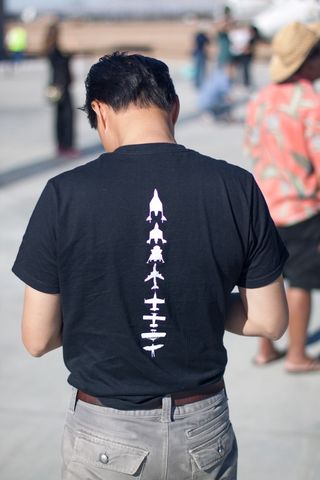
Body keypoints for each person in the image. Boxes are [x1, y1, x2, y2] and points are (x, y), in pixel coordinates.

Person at [12, 52, 288, 479]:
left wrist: (108, 314)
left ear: (100, 112)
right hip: (203, 428)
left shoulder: (64, 194)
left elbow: (38, 336)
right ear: (173, 107)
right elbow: (269, 320)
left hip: (105, 430)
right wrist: (195, 307)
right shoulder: (236, 187)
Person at [245, 22, 320, 373]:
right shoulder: (309, 101)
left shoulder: (260, 99)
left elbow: (252, 147)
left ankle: (265, 349)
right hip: (301, 207)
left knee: (268, 278)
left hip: (264, 204)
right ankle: (296, 355)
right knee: (302, 281)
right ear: (307, 62)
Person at [44, 22, 78, 158]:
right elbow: (60, 65)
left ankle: (61, 145)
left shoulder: (51, 48)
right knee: (67, 117)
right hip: (61, 87)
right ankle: (67, 146)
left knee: (60, 117)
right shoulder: (54, 50)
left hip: (57, 86)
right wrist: (70, 56)